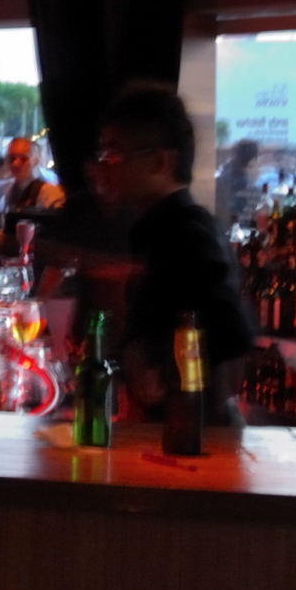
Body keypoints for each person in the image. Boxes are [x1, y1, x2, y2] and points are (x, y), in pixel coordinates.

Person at [87, 84, 253, 424]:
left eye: (113, 154)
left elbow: (233, 338)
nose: (103, 167)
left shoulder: (186, 233)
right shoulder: (155, 229)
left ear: (161, 162)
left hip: (192, 440)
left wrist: (163, 383)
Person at [0, 135, 66, 254]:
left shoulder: (49, 192)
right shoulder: (9, 190)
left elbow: (62, 232)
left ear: (35, 161)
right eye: (11, 158)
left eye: (23, 159)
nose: (15, 164)